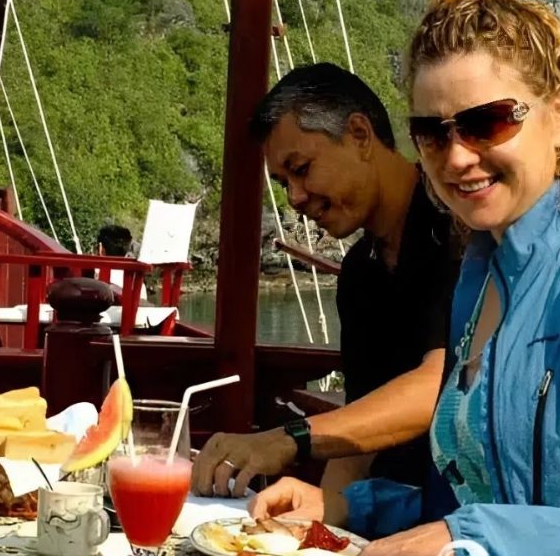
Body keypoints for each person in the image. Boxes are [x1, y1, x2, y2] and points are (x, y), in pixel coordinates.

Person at [252, 0, 560, 555]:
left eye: (488, 122)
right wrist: (345, 506)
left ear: (559, 114)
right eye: (432, 133)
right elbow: (468, 502)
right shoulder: (479, 277)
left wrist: (468, 536)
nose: (457, 156)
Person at [193, 63, 460, 499]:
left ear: (358, 135)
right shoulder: (361, 271)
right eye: (283, 182)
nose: (294, 197)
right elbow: (357, 441)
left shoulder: (456, 228)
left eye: (301, 169)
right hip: (391, 513)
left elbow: (441, 383)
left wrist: (288, 438)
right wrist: (321, 520)